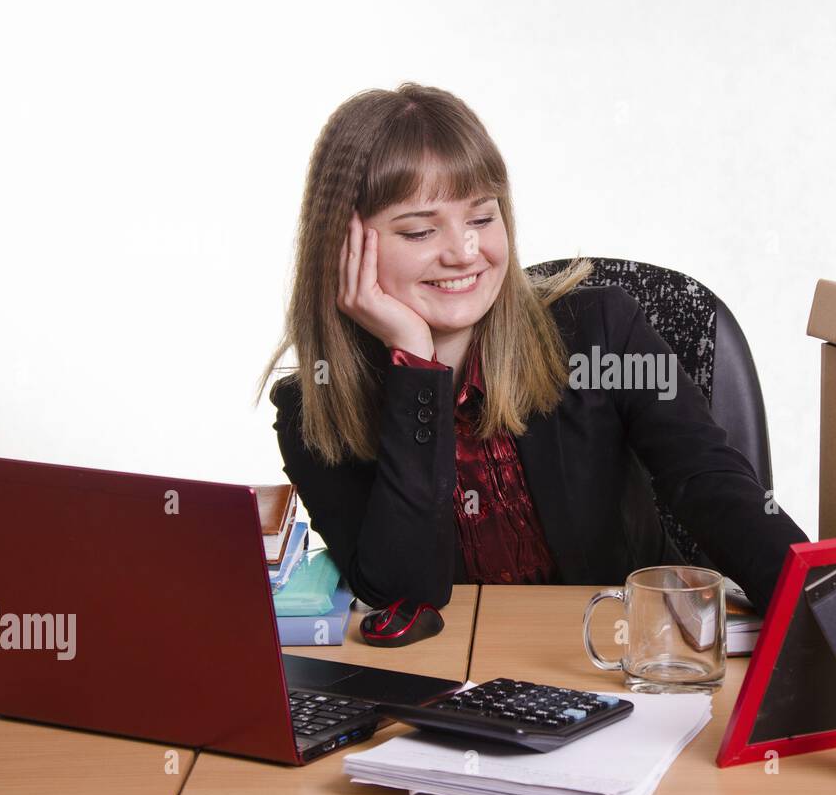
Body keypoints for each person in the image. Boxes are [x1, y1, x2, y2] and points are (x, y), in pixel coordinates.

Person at [257, 82, 807, 637]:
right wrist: (415, 369)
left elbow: (711, 485)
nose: (464, 252)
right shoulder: (312, 412)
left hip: (623, 661)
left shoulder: (600, 332)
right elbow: (405, 601)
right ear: (345, 247)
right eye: (421, 229)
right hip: (455, 692)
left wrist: (834, 614)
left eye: (481, 218)